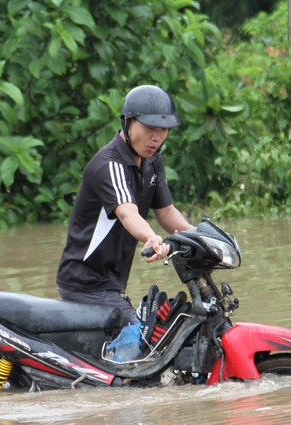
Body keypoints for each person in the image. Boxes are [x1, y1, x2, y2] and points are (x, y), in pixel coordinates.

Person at [56, 85, 194, 326]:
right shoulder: (109, 165)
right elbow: (127, 212)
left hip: (110, 282)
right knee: (143, 337)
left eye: (163, 130)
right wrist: (151, 238)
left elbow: (166, 211)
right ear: (127, 123)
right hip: (85, 283)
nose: (157, 137)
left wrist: (199, 236)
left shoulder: (153, 161)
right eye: (150, 128)